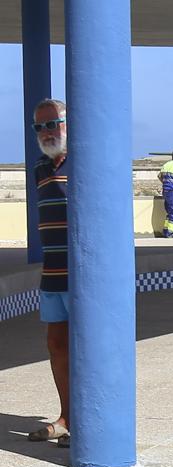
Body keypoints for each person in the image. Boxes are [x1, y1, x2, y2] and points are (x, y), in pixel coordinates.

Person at [27, 99, 72, 449]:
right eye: (39, 127)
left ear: (68, 123)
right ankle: (66, 418)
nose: (46, 132)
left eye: (52, 124)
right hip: (52, 275)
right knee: (56, 345)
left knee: (85, 348)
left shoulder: (83, 161)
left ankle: (86, 420)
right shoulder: (40, 167)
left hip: (80, 278)